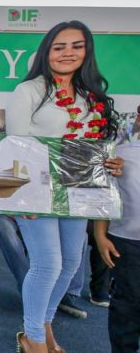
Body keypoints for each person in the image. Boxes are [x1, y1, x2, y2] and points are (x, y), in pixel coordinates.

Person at [6, 20, 123, 353]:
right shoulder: (29, 91)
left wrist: (109, 163)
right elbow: (17, 148)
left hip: (79, 191)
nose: (68, 53)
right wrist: (21, 197)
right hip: (38, 191)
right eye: (59, 47)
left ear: (87, 51)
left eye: (76, 45)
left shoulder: (92, 97)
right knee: (48, 264)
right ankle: (32, 338)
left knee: (72, 264)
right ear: (47, 52)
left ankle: (43, 325)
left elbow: (95, 148)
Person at [94, 130, 140, 353]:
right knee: (128, 306)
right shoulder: (120, 153)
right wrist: (100, 234)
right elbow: (106, 196)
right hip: (127, 242)